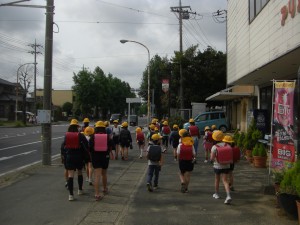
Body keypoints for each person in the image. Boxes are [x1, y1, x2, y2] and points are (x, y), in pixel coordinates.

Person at [61, 119, 88, 201]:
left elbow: (63, 146)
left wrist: (63, 156)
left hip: (69, 156)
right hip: (79, 157)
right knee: (79, 172)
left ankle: (71, 195)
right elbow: (86, 145)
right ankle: (80, 190)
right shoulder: (80, 135)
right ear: (77, 127)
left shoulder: (66, 135)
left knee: (70, 175)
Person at [89, 121, 111, 201]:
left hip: (95, 157)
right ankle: (105, 189)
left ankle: (97, 194)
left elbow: (90, 148)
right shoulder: (107, 136)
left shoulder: (93, 137)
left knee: (97, 175)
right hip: (105, 157)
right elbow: (110, 146)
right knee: (104, 174)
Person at [210, 130, 232, 204]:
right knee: (225, 181)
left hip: (217, 166)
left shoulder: (214, 147)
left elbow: (212, 158)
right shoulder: (227, 145)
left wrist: (213, 160)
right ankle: (228, 195)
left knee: (217, 180)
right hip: (226, 165)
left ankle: (216, 194)